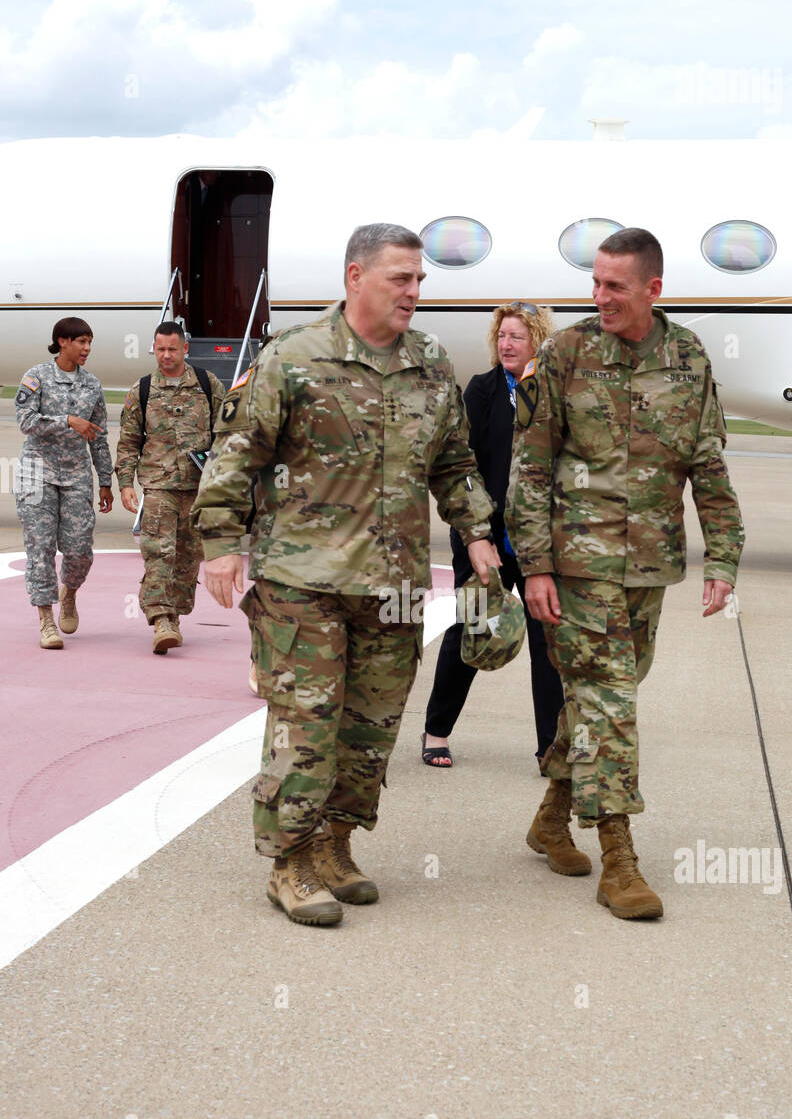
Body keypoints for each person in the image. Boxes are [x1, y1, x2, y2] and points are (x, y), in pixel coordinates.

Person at [192, 223, 499, 929]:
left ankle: (335, 844)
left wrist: (478, 533)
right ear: (355, 277)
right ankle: (289, 862)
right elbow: (238, 452)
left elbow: (452, 462)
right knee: (306, 726)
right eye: (401, 278)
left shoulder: (429, 362)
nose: (414, 293)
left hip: (392, 586)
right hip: (303, 580)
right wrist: (218, 542)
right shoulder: (294, 359)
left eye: (420, 280)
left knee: (371, 729)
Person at [507, 228, 745, 920]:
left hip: (650, 563)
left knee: (596, 697)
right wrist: (537, 567)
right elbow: (531, 466)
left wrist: (723, 554)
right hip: (579, 565)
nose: (600, 296)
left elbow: (708, 462)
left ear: (653, 289)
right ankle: (620, 857)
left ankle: (552, 818)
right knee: (611, 701)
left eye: (615, 286)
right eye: (596, 282)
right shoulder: (567, 354)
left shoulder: (687, 355)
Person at [422, 301, 566, 770]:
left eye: (516, 337)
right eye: (501, 336)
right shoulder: (481, 391)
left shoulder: (554, 391)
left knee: (548, 638)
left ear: (537, 342)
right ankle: (436, 731)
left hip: (539, 537)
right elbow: (461, 465)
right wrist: (475, 533)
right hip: (485, 531)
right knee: (472, 628)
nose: (506, 344)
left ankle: (550, 746)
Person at [116, 323, 225, 653]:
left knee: (189, 558)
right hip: (159, 485)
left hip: (198, 487)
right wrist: (125, 483)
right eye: (160, 349)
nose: (166, 355)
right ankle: (161, 618)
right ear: (154, 349)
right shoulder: (143, 390)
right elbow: (129, 440)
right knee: (159, 553)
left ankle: (174, 615)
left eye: (172, 349)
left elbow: (226, 433)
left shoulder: (208, 385)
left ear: (184, 350)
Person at [14, 317, 114, 649]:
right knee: (40, 549)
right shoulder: (37, 376)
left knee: (80, 551)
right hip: (37, 474)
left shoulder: (93, 385)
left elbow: (99, 438)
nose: (87, 349)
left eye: (90, 342)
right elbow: (25, 421)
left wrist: (105, 481)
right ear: (62, 342)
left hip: (76, 476)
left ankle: (69, 591)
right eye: (81, 342)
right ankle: (46, 621)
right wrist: (67, 421)